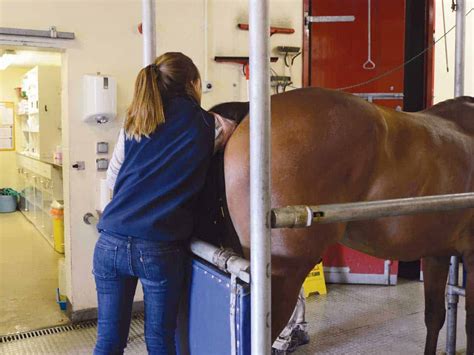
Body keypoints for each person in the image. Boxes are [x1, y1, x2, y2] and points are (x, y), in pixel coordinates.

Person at [93, 52, 236, 355]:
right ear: (194, 84)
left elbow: (113, 178)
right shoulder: (210, 124)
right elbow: (230, 139)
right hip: (158, 247)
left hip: (109, 242)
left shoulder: (137, 119)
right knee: (159, 340)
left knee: (108, 340)